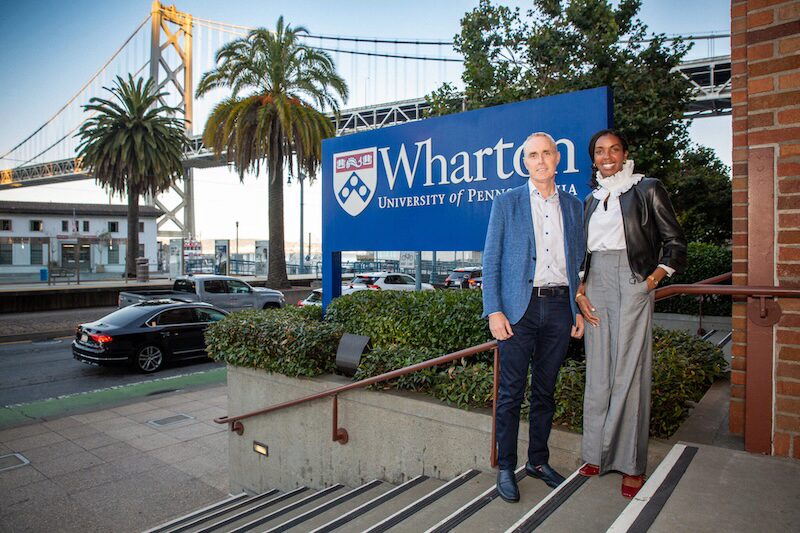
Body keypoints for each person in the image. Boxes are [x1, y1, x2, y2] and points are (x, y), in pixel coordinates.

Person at [575, 129, 687, 499]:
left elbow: (675, 242)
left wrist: (652, 280)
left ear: (624, 154)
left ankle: (631, 465)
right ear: (593, 159)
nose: (607, 156)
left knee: (631, 372)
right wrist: (580, 289)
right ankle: (596, 454)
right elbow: (584, 251)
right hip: (596, 285)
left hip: (634, 278)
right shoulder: (589, 200)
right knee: (599, 372)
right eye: (600, 151)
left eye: (614, 149)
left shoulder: (647, 188)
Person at [482, 132, 585, 503]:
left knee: (545, 391)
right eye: (532, 156)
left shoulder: (574, 207)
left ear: (558, 159)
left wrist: (577, 306)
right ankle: (506, 467)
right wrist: (494, 309)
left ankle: (538, 462)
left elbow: (578, 264)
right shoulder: (506, 203)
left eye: (546, 154)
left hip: (558, 307)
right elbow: (491, 260)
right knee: (510, 393)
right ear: (524, 162)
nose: (540, 161)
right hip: (516, 312)